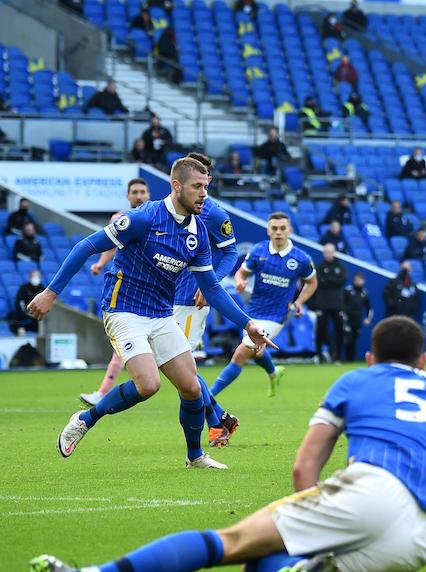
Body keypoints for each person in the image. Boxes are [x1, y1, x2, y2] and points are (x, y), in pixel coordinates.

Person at [28, 316, 426, 572]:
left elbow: (304, 465)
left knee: (233, 543)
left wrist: (306, 515)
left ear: (371, 358)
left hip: (372, 493)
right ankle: (309, 566)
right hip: (418, 543)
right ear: (424, 361)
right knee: (266, 569)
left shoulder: (356, 379)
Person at [28, 157, 274, 469]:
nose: (204, 194)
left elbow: (211, 289)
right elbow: (86, 246)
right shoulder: (144, 217)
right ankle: (85, 419)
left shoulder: (198, 233)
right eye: (197, 187)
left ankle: (195, 456)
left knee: (192, 387)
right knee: (149, 385)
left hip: (160, 314)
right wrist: (50, 292)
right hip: (123, 310)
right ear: (176, 186)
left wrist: (248, 324)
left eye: (207, 187)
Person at [168, 153, 242, 447]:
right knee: (180, 370)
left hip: (191, 300)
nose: (200, 187)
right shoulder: (172, 208)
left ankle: (217, 423)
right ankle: (221, 418)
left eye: (204, 180)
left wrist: (209, 283)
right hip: (166, 295)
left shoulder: (214, 214)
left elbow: (231, 254)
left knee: (181, 369)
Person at [210, 212, 317, 399]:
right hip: (252, 313)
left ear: (289, 230)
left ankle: (207, 399)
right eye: (274, 228)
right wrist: (240, 281)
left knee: (241, 353)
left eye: (282, 228)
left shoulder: (301, 259)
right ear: (268, 230)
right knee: (256, 350)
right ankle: (274, 373)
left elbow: (312, 282)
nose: (278, 232)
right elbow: (240, 273)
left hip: (276, 316)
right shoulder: (258, 251)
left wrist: (299, 302)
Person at [79, 178, 151, 407]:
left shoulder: (157, 217)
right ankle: (104, 392)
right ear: (128, 196)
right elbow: (110, 244)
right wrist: (100, 263)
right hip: (130, 290)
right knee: (122, 346)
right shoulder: (120, 220)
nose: (139, 196)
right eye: (134, 192)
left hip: (155, 291)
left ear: (148, 194)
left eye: (142, 191)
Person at [309, 243, 347, 363]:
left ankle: (338, 356)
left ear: (334, 252)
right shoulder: (320, 267)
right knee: (320, 330)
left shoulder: (340, 267)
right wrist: (331, 280)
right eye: (326, 252)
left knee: (339, 330)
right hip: (322, 303)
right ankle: (320, 355)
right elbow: (318, 281)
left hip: (337, 304)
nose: (328, 254)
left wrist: (327, 279)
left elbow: (341, 281)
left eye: (330, 252)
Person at [341, 271, 372, 361]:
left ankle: (351, 359)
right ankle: (345, 358)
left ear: (363, 281)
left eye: (360, 280)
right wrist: (343, 315)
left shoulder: (364, 293)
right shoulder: (348, 290)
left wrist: (368, 318)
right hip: (347, 318)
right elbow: (342, 303)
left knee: (354, 339)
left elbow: (369, 307)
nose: (358, 282)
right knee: (348, 338)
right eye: (356, 280)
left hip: (357, 319)